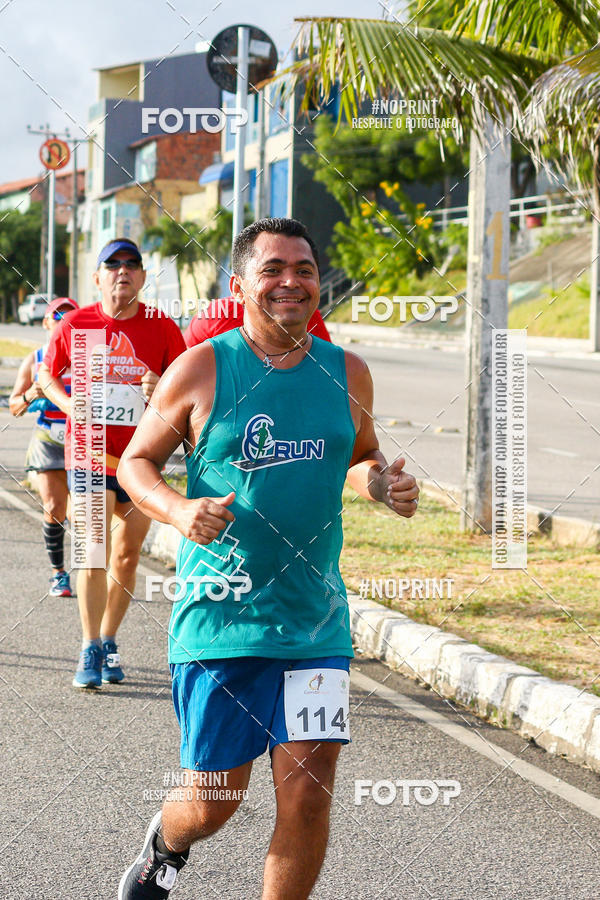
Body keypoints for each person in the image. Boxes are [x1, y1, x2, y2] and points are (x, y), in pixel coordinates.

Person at [116, 217, 420, 899]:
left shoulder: (346, 371)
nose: (291, 281)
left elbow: (359, 453)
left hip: (315, 621)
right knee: (213, 802)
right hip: (222, 621)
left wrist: (380, 482)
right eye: (273, 269)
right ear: (239, 285)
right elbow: (137, 462)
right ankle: (165, 845)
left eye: (305, 269)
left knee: (309, 796)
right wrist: (177, 510)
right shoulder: (201, 368)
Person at [39, 237, 186, 689]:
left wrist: (159, 384)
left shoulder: (161, 326)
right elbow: (46, 373)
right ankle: (87, 643)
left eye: (132, 264)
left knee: (126, 555)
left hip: (141, 458)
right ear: (97, 277)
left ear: (142, 277)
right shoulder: (77, 324)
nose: (123, 270)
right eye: (113, 264)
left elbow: (184, 385)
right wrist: (68, 402)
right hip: (89, 452)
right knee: (93, 548)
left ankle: (108, 639)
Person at [9, 297, 79, 597]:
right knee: (54, 507)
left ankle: (96, 573)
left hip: (85, 443)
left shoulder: (91, 358)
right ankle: (58, 574)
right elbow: (14, 406)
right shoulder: (35, 359)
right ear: (46, 322)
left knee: (87, 513)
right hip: (49, 439)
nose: (63, 320)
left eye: (70, 316)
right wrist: (31, 395)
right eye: (57, 315)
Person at [183, 294, 332, 347]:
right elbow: (181, 363)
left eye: (301, 271)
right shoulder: (218, 313)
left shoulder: (305, 314)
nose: (289, 282)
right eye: (272, 270)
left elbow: (329, 372)